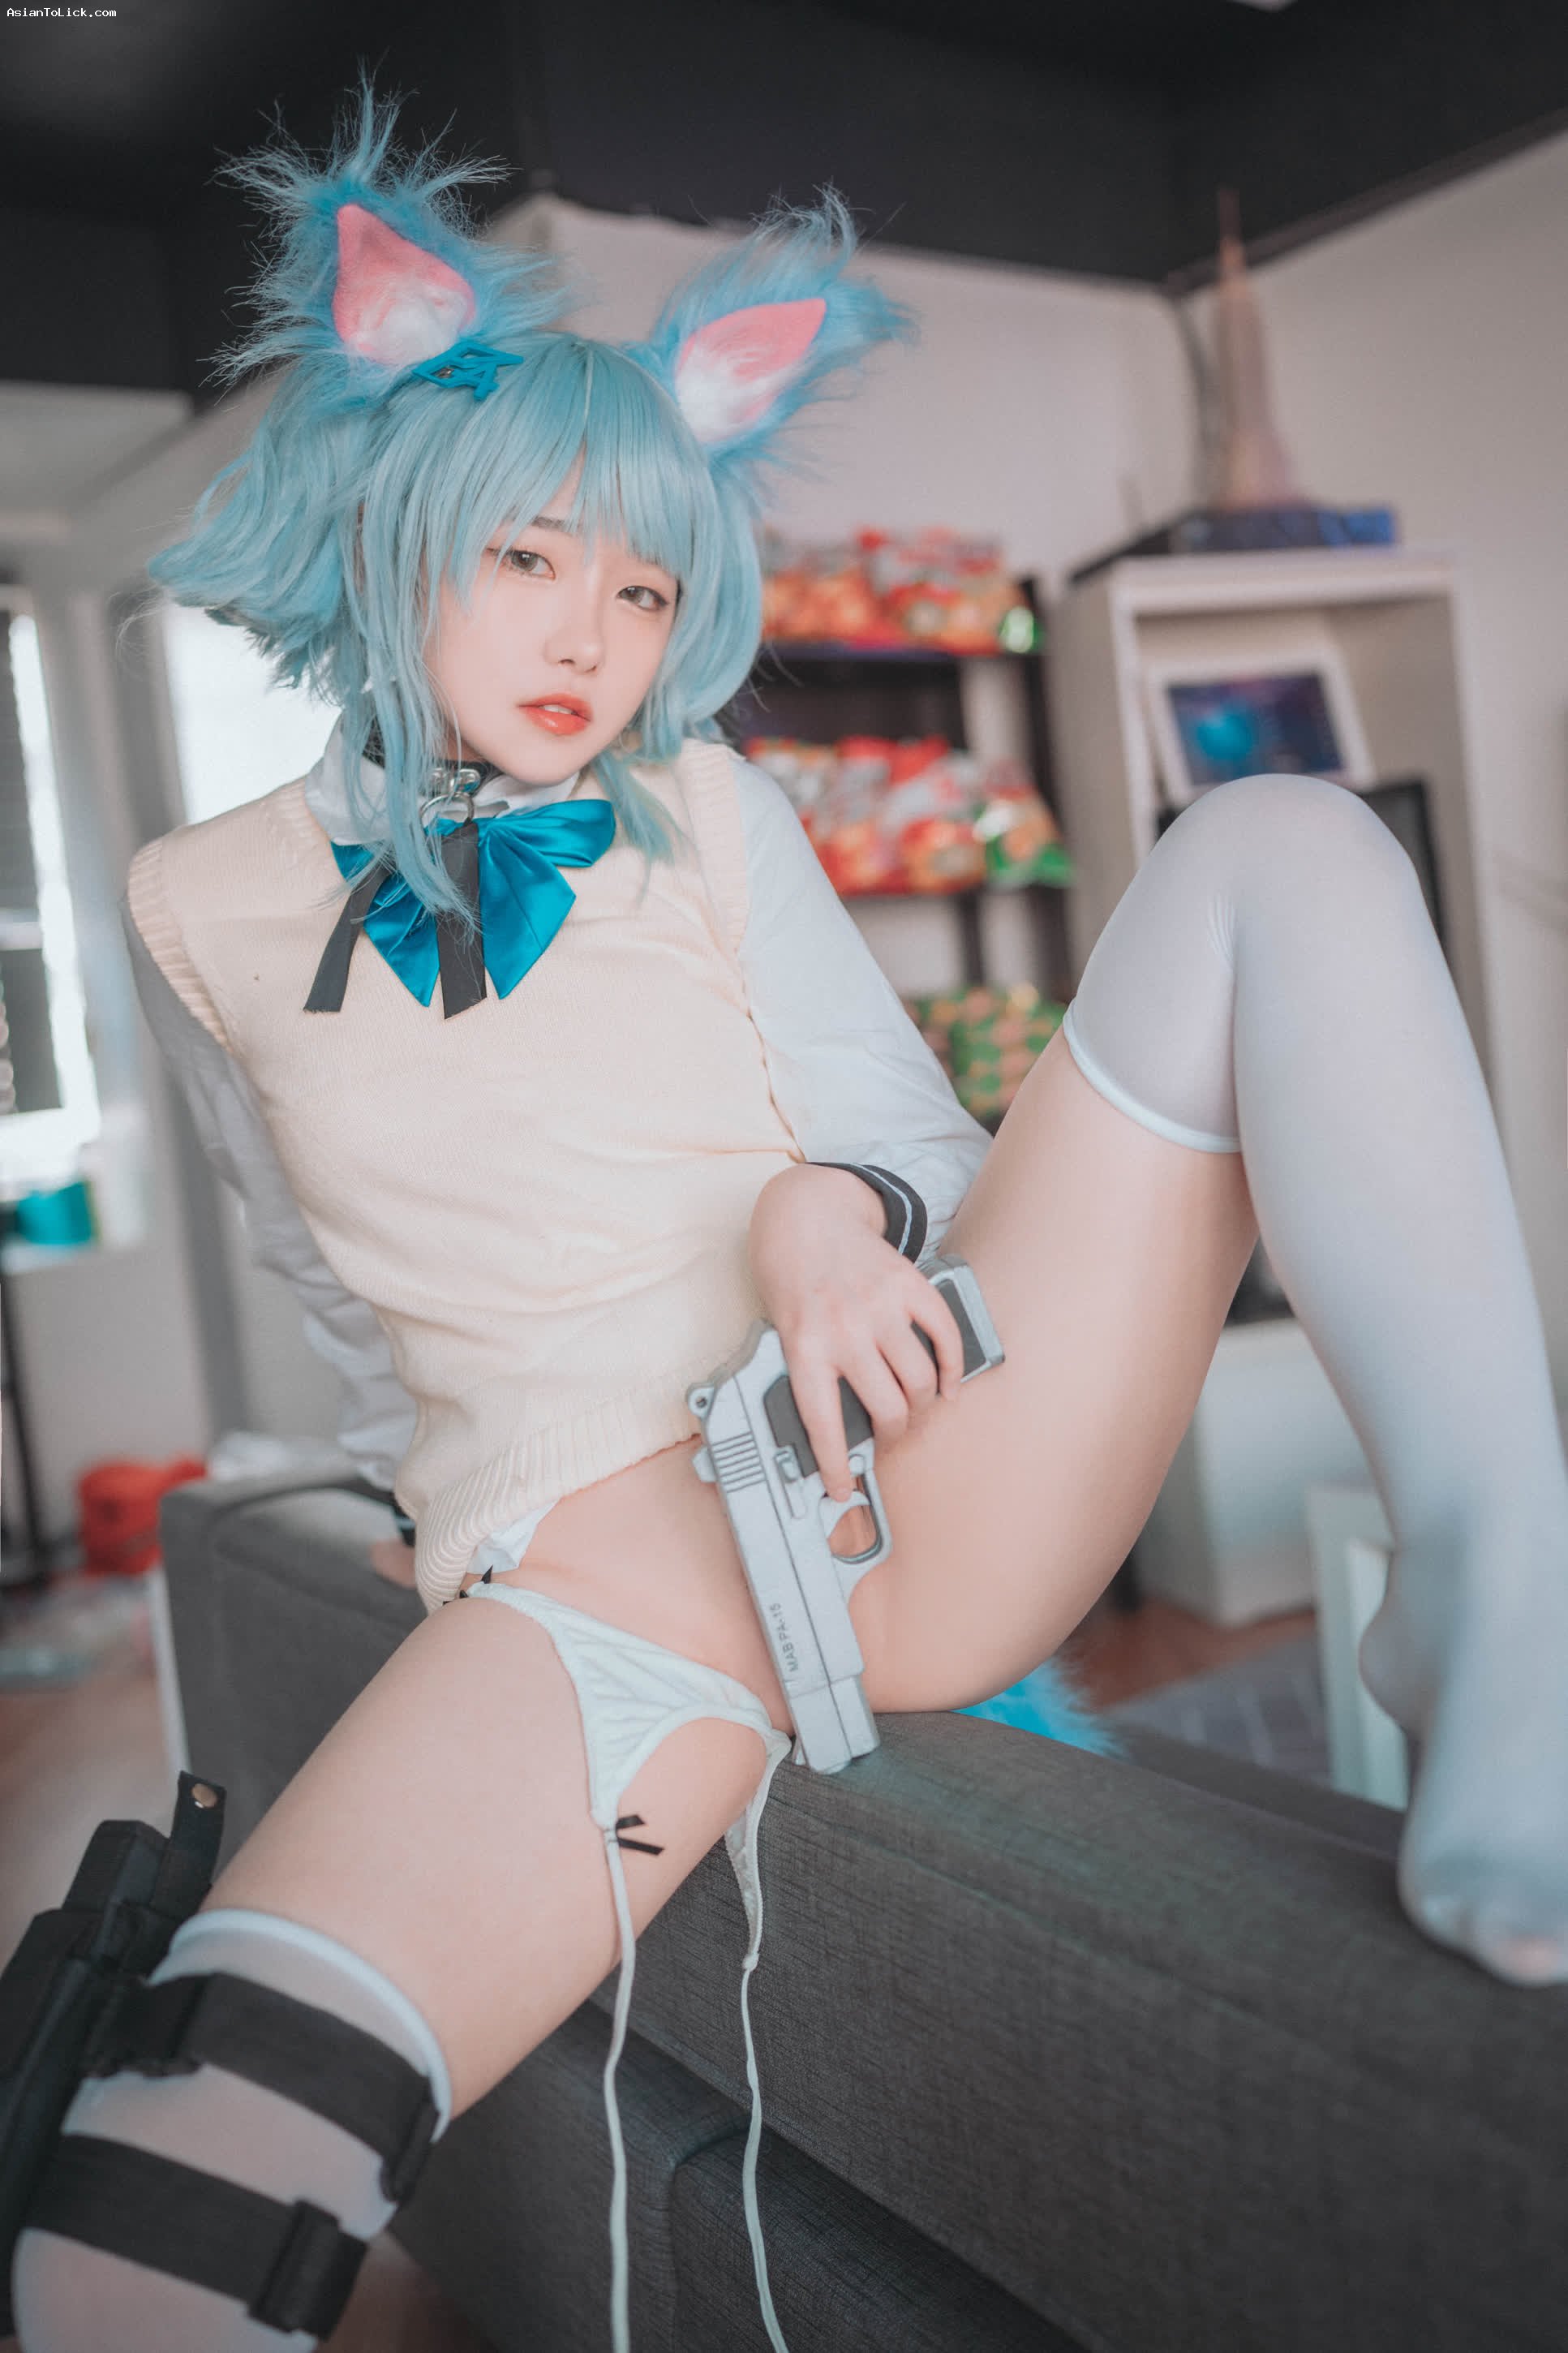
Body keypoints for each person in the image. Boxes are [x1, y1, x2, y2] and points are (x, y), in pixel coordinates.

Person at [11, 90, 1568, 2353]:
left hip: (904, 1480)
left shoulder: (709, 809)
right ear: (397, 520)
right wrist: (416, 1507)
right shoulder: (192, 904)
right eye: (533, 557)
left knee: (1288, 846)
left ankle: (1498, 1595)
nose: (595, 634)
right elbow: (327, 1279)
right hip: (580, 1606)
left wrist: (826, 1225)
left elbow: (911, 1137)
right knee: (139, 2227)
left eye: (646, 587)